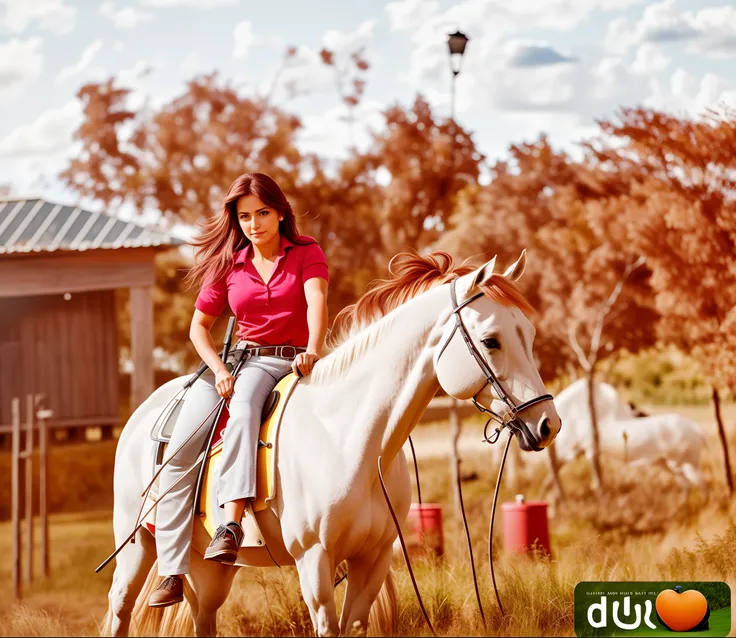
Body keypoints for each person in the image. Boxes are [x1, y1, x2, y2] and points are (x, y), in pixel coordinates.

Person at [148, 172, 329, 607]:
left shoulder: (306, 253)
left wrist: (313, 350)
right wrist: (219, 371)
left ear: (281, 211)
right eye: (245, 216)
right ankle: (194, 551)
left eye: (263, 213)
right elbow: (198, 329)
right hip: (246, 362)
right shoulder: (230, 263)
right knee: (210, 428)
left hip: (298, 358)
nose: (254, 223)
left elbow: (317, 301)